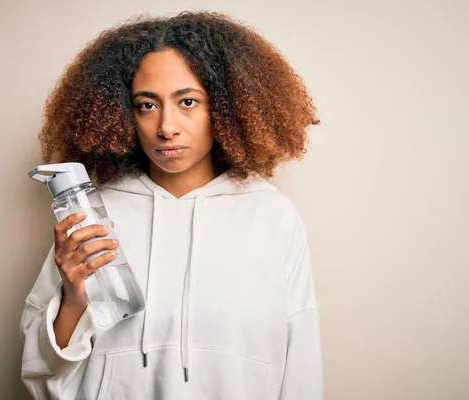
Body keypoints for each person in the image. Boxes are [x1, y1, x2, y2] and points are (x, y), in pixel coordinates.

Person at [20, 11, 323, 400]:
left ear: (226, 109)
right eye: (147, 105)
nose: (166, 126)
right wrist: (73, 298)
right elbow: (40, 368)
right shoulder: (94, 215)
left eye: (188, 101)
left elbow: (301, 364)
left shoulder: (271, 215)